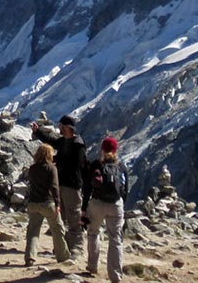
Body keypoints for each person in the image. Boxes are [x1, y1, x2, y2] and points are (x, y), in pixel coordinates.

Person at [31, 114, 87, 258]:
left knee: (74, 218)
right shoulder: (64, 141)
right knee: (61, 218)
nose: (59, 128)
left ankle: (77, 248)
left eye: (61, 126)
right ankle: (62, 248)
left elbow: (76, 164)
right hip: (61, 184)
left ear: (67, 128)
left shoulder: (78, 145)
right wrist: (38, 132)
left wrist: (57, 161)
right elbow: (52, 141)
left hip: (72, 185)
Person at [81, 137, 128, 283]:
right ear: (115, 150)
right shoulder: (121, 166)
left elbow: (87, 187)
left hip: (97, 203)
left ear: (102, 149)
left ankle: (92, 266)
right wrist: (120, 204)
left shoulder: (96, 164)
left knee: (93, 233)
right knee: (115, 239)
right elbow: (125, 189)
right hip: (115, 204)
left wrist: (84, 208)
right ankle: (115, 275)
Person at [24, 144, 70, 266]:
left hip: (33, 203)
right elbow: (54, 187)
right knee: (57, 229)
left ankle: (30, 257)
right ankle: (62, 256)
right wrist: (58, 203)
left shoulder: (32, 168)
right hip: (47, 203)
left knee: (33, 230)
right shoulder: (51, 168)